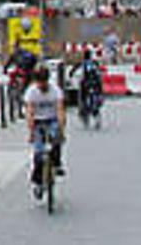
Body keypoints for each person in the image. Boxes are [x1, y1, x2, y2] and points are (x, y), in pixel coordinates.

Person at [24, 66, 65, 198]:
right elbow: (29, 113)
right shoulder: (31, 92)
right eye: (39, 82)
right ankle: (37, 182)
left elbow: (60, 111)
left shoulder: (55, 91)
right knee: (38, 153)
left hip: (52, 120)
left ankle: (57, 164)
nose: (42, 85)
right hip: (37, 122)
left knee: (56, 140)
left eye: (44, 81)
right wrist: (30, 132)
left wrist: (61, 130)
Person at [73, 50, 104, 125]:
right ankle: (97, 111)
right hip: (96, 83)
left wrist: (71, 74)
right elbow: (100, 71)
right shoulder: (94, 62)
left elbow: (73, 70)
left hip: (86, 83)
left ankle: (83, 111)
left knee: (81, 97)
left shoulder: (83, 63)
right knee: (98, 94)